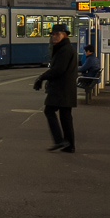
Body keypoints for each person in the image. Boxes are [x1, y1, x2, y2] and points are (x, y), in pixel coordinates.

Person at [34, 23, 78, 153]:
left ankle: (59, 140)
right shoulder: (65, 48)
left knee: (49, 111)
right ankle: (69, 145)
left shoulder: (64, 50)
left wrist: (41, 78)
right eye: (53, 34)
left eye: (57, 34)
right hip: (66, 88)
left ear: (64, 34)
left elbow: (57, 69)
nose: (54, 37)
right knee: (65, 116)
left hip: (61, 88)